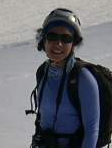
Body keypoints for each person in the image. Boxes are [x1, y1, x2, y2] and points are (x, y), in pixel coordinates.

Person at [32, 8, 100, 148]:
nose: (59, 43)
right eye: (52, 36)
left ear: (74, 44)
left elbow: (92, 130)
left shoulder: (83, 78)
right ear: (43, 40)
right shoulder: (43, 72)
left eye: (66, 38)